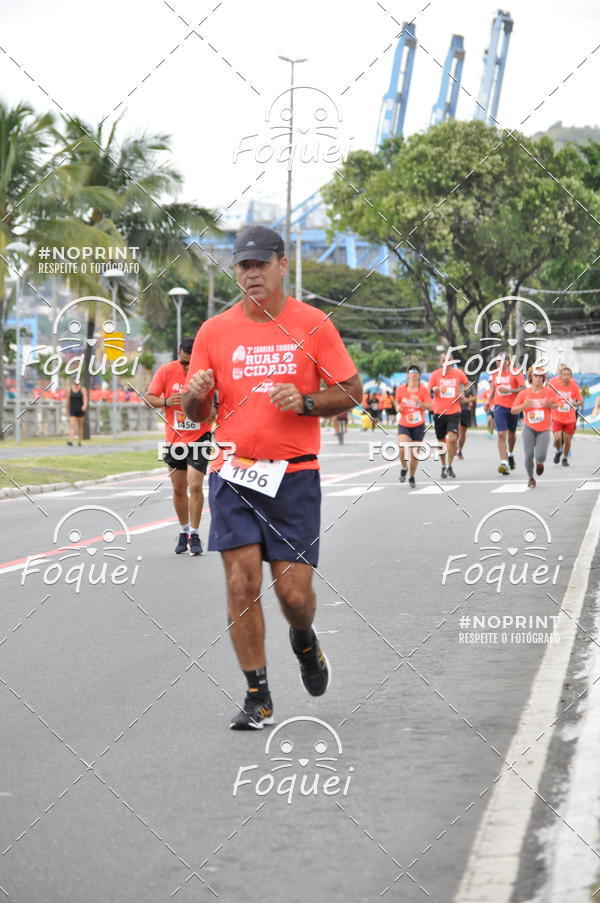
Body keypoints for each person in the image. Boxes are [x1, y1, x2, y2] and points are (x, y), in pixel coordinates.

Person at [183, 225, 361, 730]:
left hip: (294, 476)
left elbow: (352, 391)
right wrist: (195, 393)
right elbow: (197, 415)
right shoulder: (213, 332)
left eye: (261, 263)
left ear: (282, 265)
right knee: (241, 583)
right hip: (233, 473)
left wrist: (305, 402)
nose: (252, 273)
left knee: (294, 597)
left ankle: (304, 641)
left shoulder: (312, 324)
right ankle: (257, 695)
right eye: (243, 265)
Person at [145, 338, 214, 556]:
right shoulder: (166, 372)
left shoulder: (206, 375)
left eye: (191, 364)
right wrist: (166, 402)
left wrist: (203, 410)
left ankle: (194, 533)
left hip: (200, 437)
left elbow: (217, 407)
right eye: (184, 363)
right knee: (178, 489)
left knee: (195, 486)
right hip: (174, 439)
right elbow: (149, 398)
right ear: (178, 354)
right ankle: (183, 531)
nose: (187, 368)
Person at [511, 365, 559, 488]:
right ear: (530, 377)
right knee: (528, 455)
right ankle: (530, 478)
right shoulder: (524, 393)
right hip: (529, 427)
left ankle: (540, 463)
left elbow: (558, 405)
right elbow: (513, 410)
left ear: (544, 378)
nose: (538, 378)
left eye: (540, 376)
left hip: (544, 429)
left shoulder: (548, 392)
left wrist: (550, 405)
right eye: (535, 375)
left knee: (541, 455)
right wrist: (524, 406)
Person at [427, 351, 468, 479]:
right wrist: (434, 390)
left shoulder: (458, 374)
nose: (447, 363)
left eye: (449, 360)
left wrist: (462, 392)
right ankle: (444, 466)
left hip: (454, 411)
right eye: (444, 360)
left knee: (452, 439)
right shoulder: (435, 375)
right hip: (439, 411)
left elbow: (467, 385)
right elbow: (429, 390)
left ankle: (450, 465)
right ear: (441, 362)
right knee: (441, 442)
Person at [395, 365, 432, 487]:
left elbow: (429, 406)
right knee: (402, 448)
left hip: (418, 425)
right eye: (411, 371)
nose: (414, 374)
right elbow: (397, 402)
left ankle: (411, 476)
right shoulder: (401, 389)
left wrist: (419, 402)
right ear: (408, 375)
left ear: (419, 375)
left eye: (416, 372)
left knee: (414, 453)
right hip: (404, 424)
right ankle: (404, 467)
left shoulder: (423, 390)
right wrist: (398, 407)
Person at [489, 354, 525, 475]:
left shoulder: (515, 372)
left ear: (508, 362)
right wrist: (488, 401)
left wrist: (509, 390)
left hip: (513, 408)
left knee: (512, 434)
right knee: (501, 433)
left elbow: (523, 388)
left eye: (501, 361)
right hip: (499, 407)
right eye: (497, 361)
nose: (499, 363)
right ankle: (503, 462)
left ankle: (510, 454)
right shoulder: (495, 374)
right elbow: (494, 389)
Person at [548, 365, 583, 466]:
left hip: (570, 418)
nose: (566, 376)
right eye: (564, 375)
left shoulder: (574, 387)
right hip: (557, 417)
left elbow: (581, 401)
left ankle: (565, 458)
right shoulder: (555, 385)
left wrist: (575, 403)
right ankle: (559, 451)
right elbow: (549, 397)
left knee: (567, 440)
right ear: (561, 375)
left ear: (571, 376)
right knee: (558, 438)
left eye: (568, 375)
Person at [457, 362, 477, 459]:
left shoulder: (469, 384)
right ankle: (453, 447)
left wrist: (466, 400)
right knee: (455, 431)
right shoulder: (453, 384)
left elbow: (475, 397)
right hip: (454, 410)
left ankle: (459, 450)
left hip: (465, 410)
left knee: (462, 433)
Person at [66, 380, 88, 446]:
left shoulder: (82, 389)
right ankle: (71, 440)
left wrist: (84, 406)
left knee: (80, 426)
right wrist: (67, 408)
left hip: (80, 410)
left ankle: (79, 441)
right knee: (72, 425)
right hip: (72, 409)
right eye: (74, 383)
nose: (76, 384)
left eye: (77, 383)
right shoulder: (70, 389)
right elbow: (68, 399)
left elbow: (85, 399)